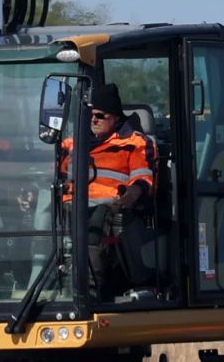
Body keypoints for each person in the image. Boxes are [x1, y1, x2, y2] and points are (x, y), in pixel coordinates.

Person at [58, 83, 157, 302]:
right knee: (42, 214)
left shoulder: (135, 143)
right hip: (68, 206)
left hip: (108, 207)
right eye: (90, 115)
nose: (93, 120)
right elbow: (53, 173)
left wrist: (132, 194)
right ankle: (37, 279)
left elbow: (143, 179)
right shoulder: (70, 144)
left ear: (115, 117)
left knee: (95, 225)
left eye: (100, 115)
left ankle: (89, 294)